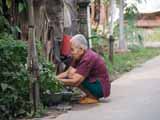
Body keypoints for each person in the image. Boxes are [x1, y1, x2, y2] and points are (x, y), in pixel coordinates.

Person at [56, 34, 110, 104]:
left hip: (101, 88)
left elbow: (75, 80)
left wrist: (57, 81)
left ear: (81, 49)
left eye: (72, 50)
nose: (71, 53)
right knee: (72, 74)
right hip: (94, 82)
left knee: (75, 78)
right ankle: (90, 95)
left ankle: (93, 97)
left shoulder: (88, 57)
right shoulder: (78, 56)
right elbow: (67, 72)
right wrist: (53, 78)